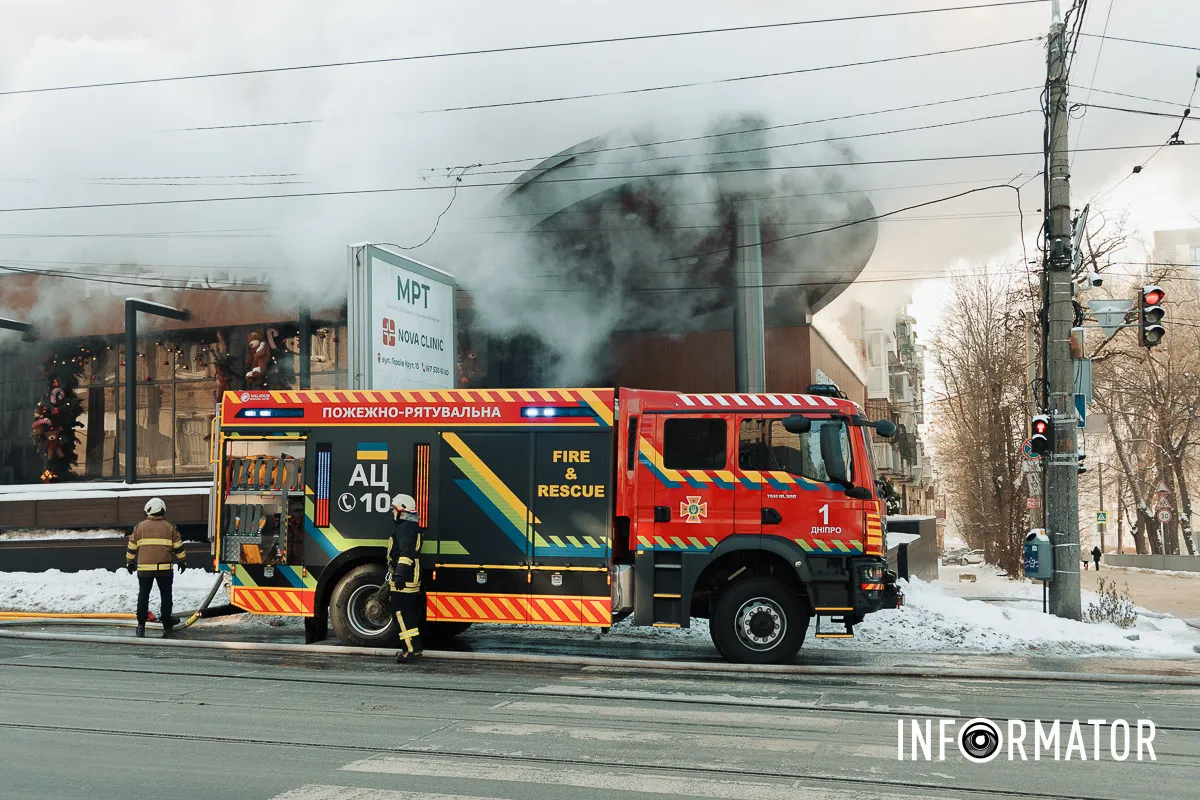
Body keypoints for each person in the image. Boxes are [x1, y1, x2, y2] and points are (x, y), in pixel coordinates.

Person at [125, 497, 187, 638]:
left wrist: (129, 562)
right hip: (164, 569)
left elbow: (131, 546)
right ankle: (167, 624)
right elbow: (178, 547)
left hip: (144, 570)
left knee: (143, 595)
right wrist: (182, 561)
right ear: (162, 510)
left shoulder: (139, 527)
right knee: (166, 595)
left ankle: (141, 625)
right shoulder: (170, 527)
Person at [387, 494, 423, 664]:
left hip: (405, 578)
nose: (392, 513)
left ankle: (409, 651)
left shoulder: (404, 529)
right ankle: (415, 647)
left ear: (401, 511)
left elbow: (406, 553)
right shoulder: (412, 527)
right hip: (412, 576)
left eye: (394, 509)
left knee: (400, 614)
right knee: (408, 614)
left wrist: (399, 574)